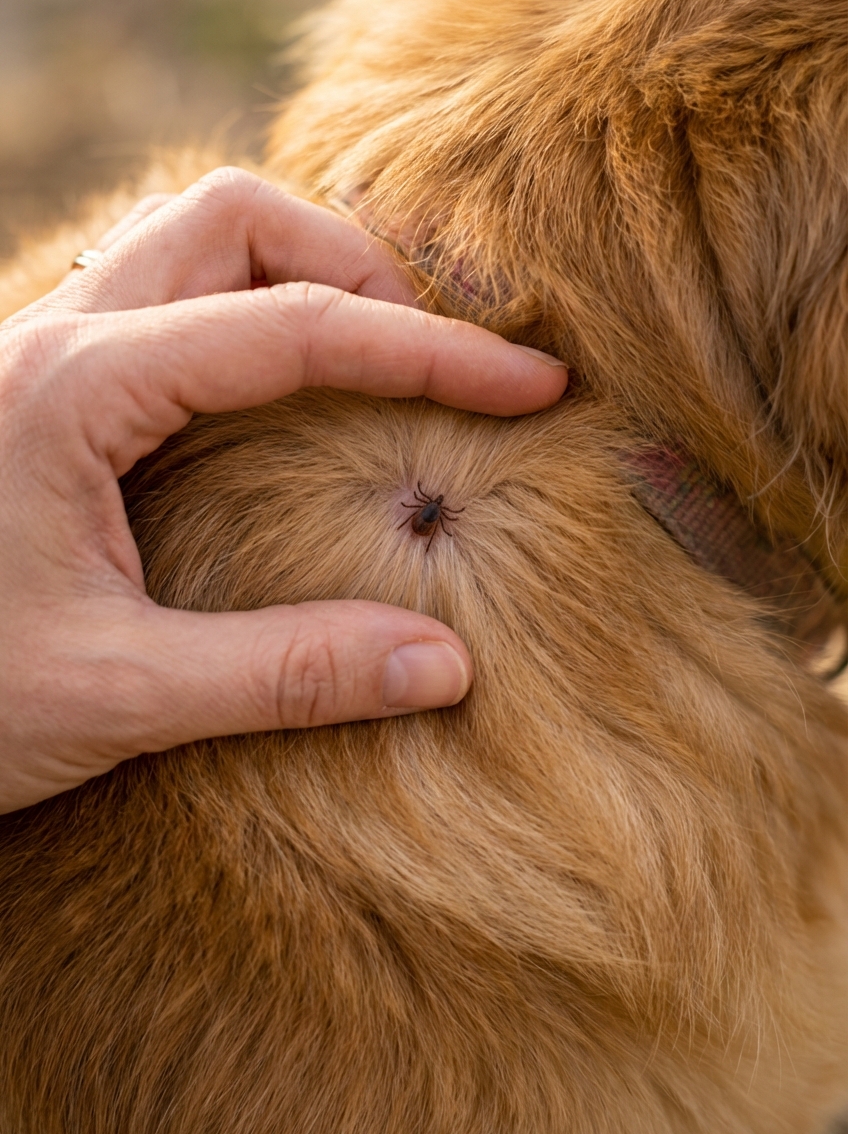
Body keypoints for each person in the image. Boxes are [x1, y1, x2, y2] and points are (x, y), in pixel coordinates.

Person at [0, 168, 567, 815]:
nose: (432, 515)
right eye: (433, 514)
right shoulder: (440, 513)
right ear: (433, 513)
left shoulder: (421, 508)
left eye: (432, 515)